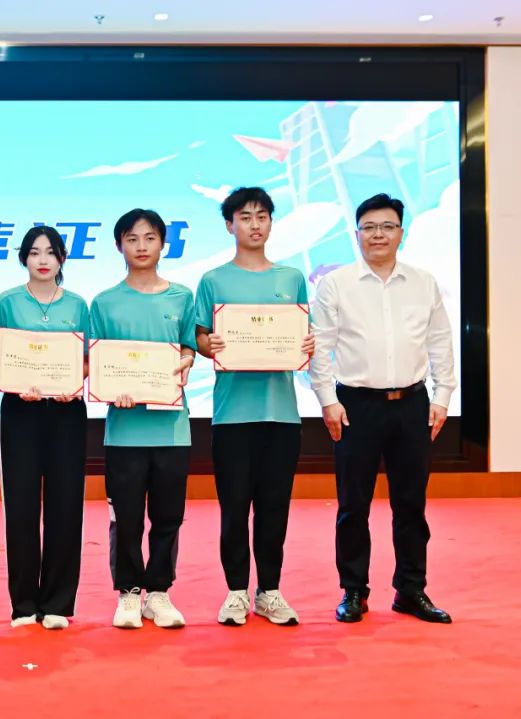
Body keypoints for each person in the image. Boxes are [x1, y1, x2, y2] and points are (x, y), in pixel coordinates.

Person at [309, 193, 456, 624]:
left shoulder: (423, 282)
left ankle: (411, 589)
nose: (378, 234)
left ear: (401, 234)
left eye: (387, 226)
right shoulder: (336, 284)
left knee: (411, 504)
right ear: (356, 234)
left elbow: (440, 341)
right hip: (357, 405)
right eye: (369, 227)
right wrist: (328, 400)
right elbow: (320, 347)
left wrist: (442, 396)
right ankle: (354, 590)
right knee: (353, 505)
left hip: (412, 404)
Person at [193, 187, 314, 627]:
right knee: (234, 508)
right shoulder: (213, 280)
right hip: (232, 415)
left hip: (281, 413)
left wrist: (306, 344)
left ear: (271, 222)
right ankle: (236, 592)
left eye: (262, 216)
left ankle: (270, 591)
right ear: (230, 225)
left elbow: (303, 335)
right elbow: (200, 337)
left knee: (274, 507)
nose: (255, 224)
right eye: (245, 217)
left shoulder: (291, 278)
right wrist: (209, 344)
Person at [90, 209, 196, 630]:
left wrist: (186, 360)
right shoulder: (104, 302)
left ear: (163, 244)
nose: (141, 246)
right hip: (124, 431)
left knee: (168, 516)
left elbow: (188, 347)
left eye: (150, 238)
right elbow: (97, 361)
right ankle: (129, 592)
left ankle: (160, 592)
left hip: (172, 429)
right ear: (120, 245)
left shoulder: (181, 297)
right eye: (132, 239)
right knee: (127, 517)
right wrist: (112, 386)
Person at [0, 226, 89, 631]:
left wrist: (74, 382)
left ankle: (58, 602)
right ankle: (24, 604)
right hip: (21, 411)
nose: (43, 260)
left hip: (67, 411)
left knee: (66, 507)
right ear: (24, 259)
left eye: (50, 252)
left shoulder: (78, 305)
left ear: (62, 257)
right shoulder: (7, 302)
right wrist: (17, 384)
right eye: (34, 252)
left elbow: (87, 358)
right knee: (22, 508)